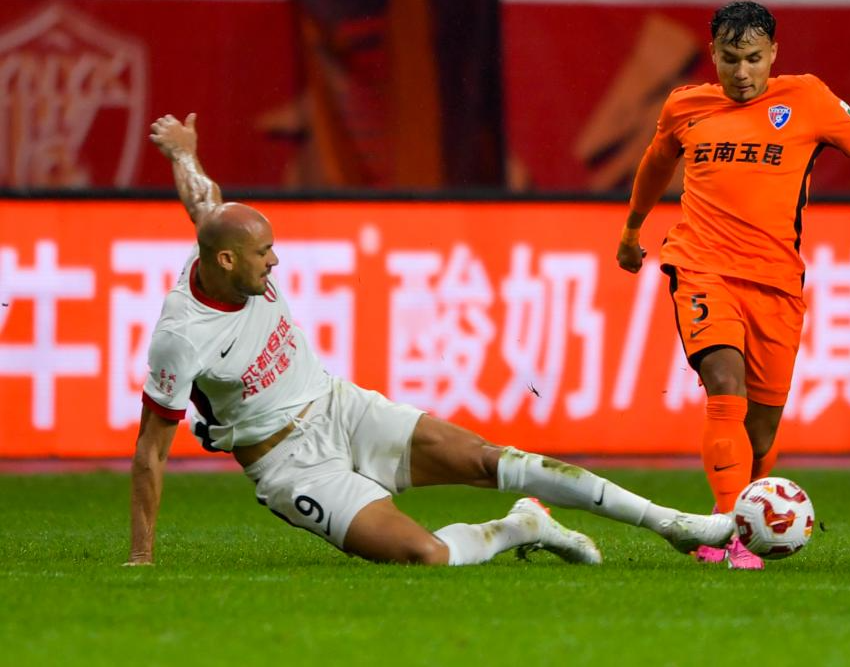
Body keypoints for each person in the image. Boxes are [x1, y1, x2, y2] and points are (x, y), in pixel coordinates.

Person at [127, 112, 736, 567]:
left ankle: (673, 524)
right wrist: (141, 557)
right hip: (291, 465)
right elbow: (151, 450)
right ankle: (523, 527)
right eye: (264, 254)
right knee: (425, 556)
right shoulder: (182, 336)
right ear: (226, 261)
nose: (276, 263)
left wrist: (183, 151)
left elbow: (204, 200)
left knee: (492, 460)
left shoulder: (226, 245)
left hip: (340, 407)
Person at [616, 1, 850, 570]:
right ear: (713, 54)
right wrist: (633, 229)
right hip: (701, 266)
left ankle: (741, 515)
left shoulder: (807, 98)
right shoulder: (685, 106)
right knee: (723, 384)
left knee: (759, 433)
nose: (741, 73)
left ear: (773, 54)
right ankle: (728, 531)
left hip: (776, 281)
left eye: (754, 59)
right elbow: (656, 164)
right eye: (730, 59)